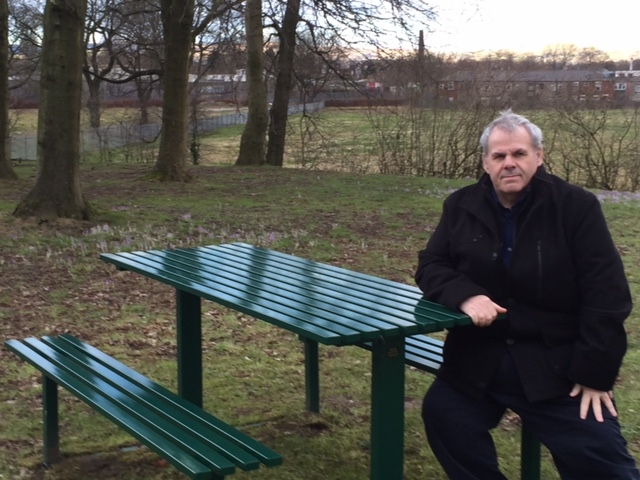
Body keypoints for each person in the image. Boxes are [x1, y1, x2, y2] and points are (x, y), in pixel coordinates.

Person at [414, 109, 640, 479]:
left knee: (601, 458)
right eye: (499, 156)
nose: (509, 164)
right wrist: (467, 296)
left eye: (519, 154)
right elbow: (432, 264)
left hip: (556, 364)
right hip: (478, 358)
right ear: (485, 162)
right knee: (444, 417)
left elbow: (607, 294)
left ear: (539, 156)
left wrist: (595, 373)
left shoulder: (575, 207)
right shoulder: (461, 205)